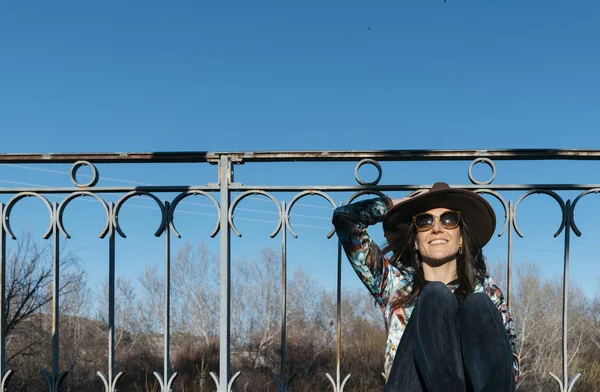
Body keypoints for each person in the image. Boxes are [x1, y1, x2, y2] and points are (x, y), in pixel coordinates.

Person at [332, 182, 519, 392]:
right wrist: (399, 205)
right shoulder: (395, 285)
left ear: (461, 240)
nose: (436, 228)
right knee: (436, 296)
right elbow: (345, 218)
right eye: (424, 221)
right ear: (415, 241)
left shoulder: (486, 290)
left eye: (449, 220)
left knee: (477, 305)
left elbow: (508, 364)